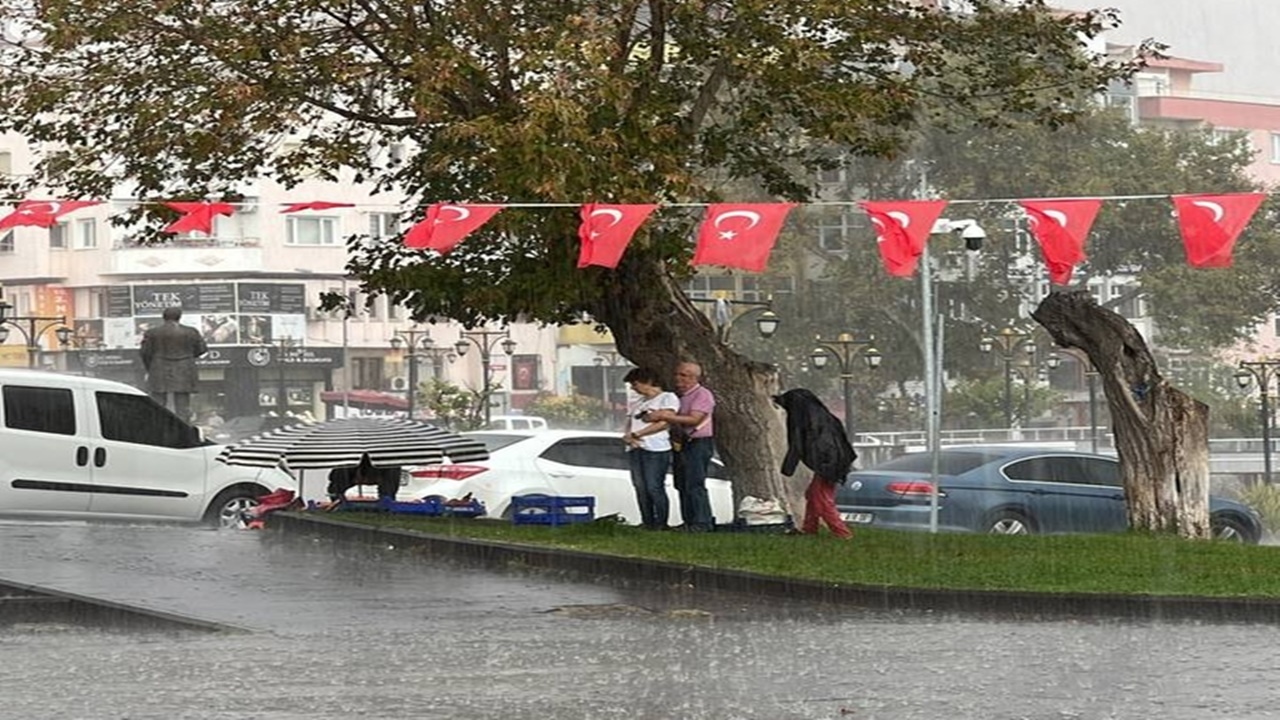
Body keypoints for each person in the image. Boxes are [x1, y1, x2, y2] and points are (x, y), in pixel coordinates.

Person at [772, 388, 856, 539]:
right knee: (813, 494)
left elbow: (797, 445)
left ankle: (842, 533)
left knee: (821, 498)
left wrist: (787, 469)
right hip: (835, 461)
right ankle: (809, 528)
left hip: (827, 464)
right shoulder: (824, 416)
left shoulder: (804, 420)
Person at [647, 361, 716, 531]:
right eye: (677, 374)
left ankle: (702, 522)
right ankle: (688, 521)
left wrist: (665, 416)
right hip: (681, 443)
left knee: (695, 483)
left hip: (698, 443)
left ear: (694, 377)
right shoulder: (677, 397)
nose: (678, 379)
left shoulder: (702, 395)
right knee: (682, 483)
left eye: (684, 375)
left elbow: (695, 419)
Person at [622, 367, 680, 530]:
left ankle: (661, 522)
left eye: (635, 384)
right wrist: (628, 436)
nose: (634, 388)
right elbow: (630, 421)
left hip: (656, 448)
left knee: (654, 486)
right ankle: (647, 521)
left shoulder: (667, 398)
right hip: (636, 447)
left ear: (647, 381)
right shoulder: (638, 402)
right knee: (640, 486)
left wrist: (638, 433)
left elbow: (664, 422)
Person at [139, 307, 208, 421]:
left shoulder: (152, 333)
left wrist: (150, 368)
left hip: (159, 367)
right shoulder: (191, 332)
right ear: (179, 317)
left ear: (163, 317)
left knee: (158, 403)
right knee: (183, 405)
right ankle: (182, 429)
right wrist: (188, 356)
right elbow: (202, 349)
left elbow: (145, 353)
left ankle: (158, 427)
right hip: (184, 368)